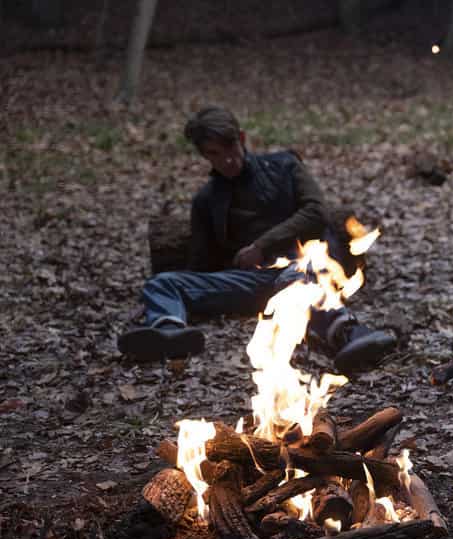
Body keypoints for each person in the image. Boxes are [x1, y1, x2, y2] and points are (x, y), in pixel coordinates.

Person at [117, 106, 396, 375]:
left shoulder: (285, 166)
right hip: (251, 282)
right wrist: (197, 284)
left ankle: (349, 334)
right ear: (204, 155)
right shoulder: (207, 199)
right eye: (214, 153)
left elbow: (316, 212)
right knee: (163, 283)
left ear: (241, 138)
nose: (227, 159)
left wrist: (261, 246)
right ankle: (168, 333)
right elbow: (201, 263)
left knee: (298, 278)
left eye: (230, 147)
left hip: (302, 266)